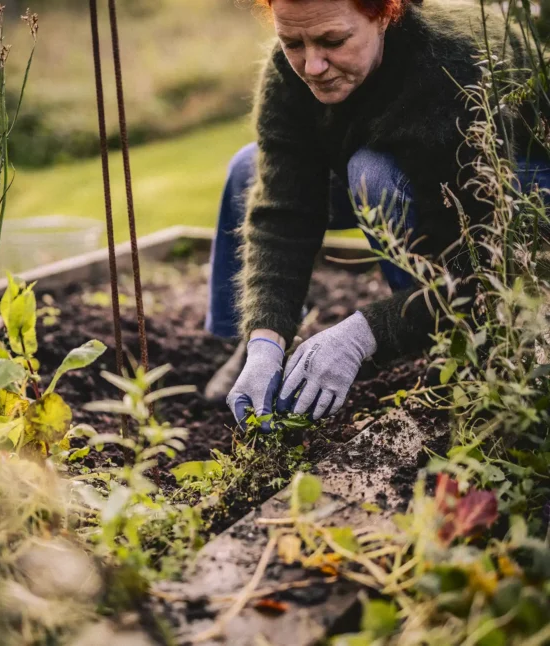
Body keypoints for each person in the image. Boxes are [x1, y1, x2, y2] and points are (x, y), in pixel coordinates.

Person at [204, 0, 548, 432]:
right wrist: (265, 337)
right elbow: (284, 213)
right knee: (247, 170)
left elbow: (478, 266)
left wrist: (363, 333)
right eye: (293, 42)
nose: (312, 66)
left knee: (373, 174)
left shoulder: (449, 66)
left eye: (333, 41)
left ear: (386, 14)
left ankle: (450, 347)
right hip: (399, 153)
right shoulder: (286, 73)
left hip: (515, 180)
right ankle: (251, 344)